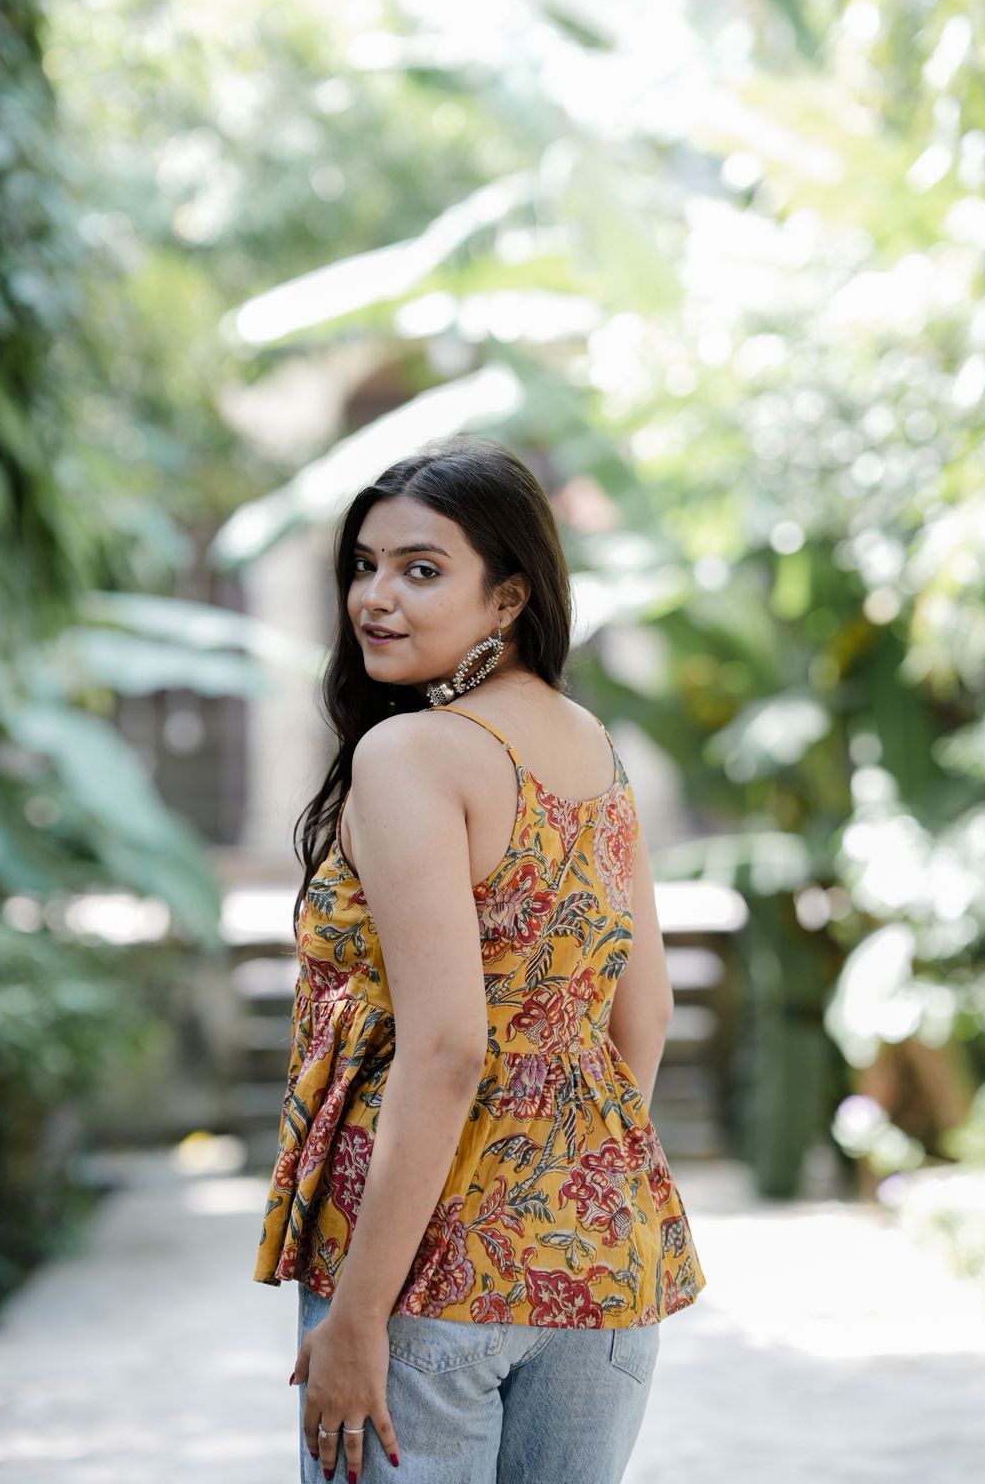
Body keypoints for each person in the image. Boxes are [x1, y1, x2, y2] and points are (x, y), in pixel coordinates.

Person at [253, 435, 707, 1484]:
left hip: (424, 1275)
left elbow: (449, 1043)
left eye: (422, 569)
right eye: (364, 565)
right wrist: (561, 1196)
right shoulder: (591, 743)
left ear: (507, 598)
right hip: (599, 1263)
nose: (376, 597)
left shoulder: (410, 752)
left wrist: (360, 1313)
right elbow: (646, 1010)